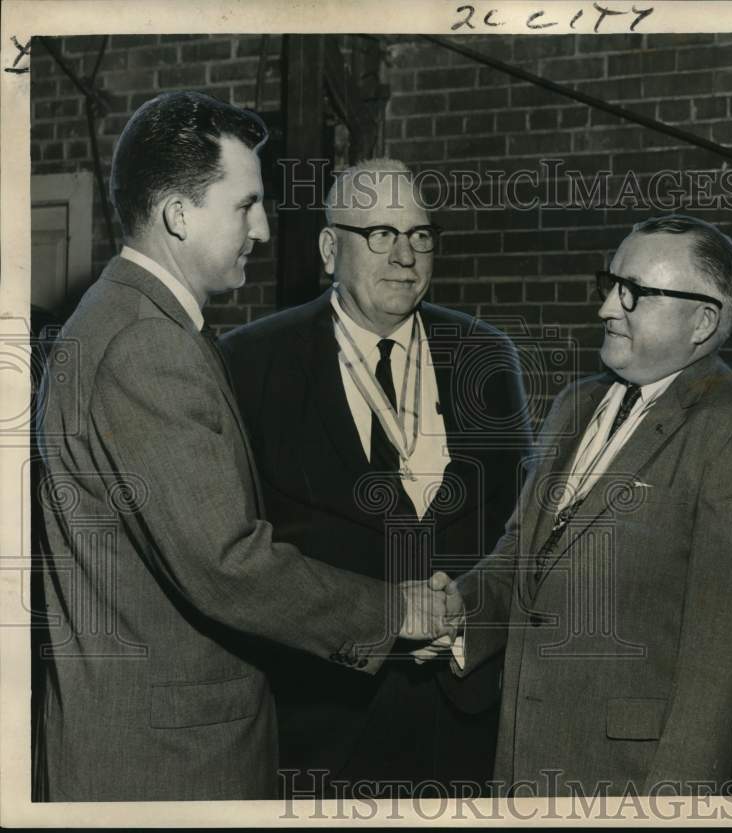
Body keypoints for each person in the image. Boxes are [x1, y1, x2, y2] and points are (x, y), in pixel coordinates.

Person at [33, 92, 449, 802]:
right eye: (245, 204)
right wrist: (399, 611)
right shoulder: (146, 347)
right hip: (169, 763)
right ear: (178, 214)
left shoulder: (122, 318)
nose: (261, 228)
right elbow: (227, 565)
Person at [432, 214, 732, 796]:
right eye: (610, 285)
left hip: (628, 783)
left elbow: (712, 653)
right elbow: (524, 554)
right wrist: (457, 612)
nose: (607, 309)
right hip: (521, 762)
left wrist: (679, 802)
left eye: (635, 294)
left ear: (702, 321)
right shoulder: (575, 404)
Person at [219, 159, 531, 795]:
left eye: (420, 236)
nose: (405, 257)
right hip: (322, 717)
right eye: (381, 235)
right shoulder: (253, 361)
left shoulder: (486, 356)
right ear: (332, 248)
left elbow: (517, 531)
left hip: (462, 713)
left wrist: (466, 614)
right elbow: (239, 545)